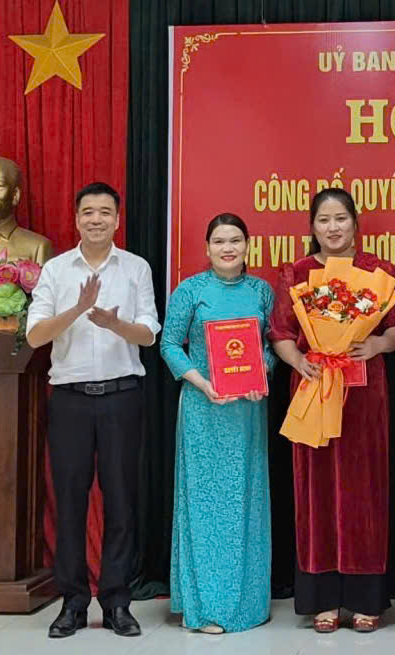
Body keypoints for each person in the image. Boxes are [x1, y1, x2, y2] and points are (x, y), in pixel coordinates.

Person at [26, 182, 159, 639]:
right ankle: (73, 602)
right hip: (70, 400)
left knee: (121, 501)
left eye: (105, 212)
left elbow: (149, 334)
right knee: (70, 502)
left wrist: (115, 323)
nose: (96, 219)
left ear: (117, 220)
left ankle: (117, 602)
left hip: (122, 396)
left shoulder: (136, 268)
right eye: (88, 211)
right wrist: (78, 309)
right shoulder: (56, 270)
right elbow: (35, 335)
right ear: (76, 218)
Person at [268, 188, 395, 633]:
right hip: (313, 388)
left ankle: (367, 598)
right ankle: (322, 598)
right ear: (312, 227)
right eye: (324, 220)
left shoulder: (379, 272)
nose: (333, 227)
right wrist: (298, 361)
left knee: (365, 489)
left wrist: (378, 344)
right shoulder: (296, 273)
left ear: (355, 223)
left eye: (341, 218)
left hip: (365, 394)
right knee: (316, 491)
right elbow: (280, 332)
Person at [160, 213, 275, 633]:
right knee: (206, 506)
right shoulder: (190, 291)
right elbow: (169, 345)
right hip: (203, 409)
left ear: (247, 246)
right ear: (207, 248)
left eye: (236, 240)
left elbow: (271, 346)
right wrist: (201, 383)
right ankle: (206, 607)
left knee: (246, 501)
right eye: (220, 241)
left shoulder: (261, 292)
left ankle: (248, 605)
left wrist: (261, 375)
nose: (228, 248)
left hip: (247, 411)